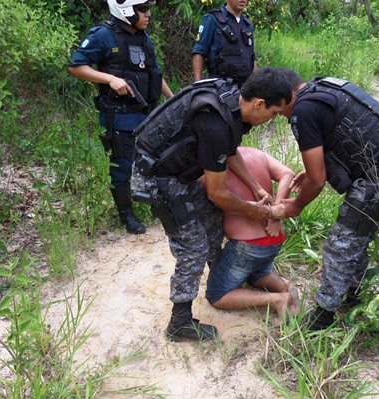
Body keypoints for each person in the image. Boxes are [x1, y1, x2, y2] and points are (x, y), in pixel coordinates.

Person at [132, 68, 292, 342]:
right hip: (158, 177)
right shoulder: (217, 122)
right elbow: (219, 192)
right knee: (192, 245)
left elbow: (229, 153)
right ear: (259, 104)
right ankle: (180, 322)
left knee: (211, 220)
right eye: (275, 113)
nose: (272, 120)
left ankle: (221, 275)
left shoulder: (232, 104)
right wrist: (263, 211)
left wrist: (257, 189)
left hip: (179, 173)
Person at [277, 70, 379, 331]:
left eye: (277, 110)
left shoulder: (303, 110)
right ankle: (353, 293)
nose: (279, 116)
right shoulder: (322, 88)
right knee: (354, 239)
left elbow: (316, 181)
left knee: (340, 245)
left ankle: (324, 317)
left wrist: (296, 205)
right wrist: (317, 167)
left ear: (287, 96)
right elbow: (346, 134)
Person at [68, 0, 174, 234]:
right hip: (119, 114)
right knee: (123, 165)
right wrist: (109, 79)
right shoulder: (103, 35)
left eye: (148, 9)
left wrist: (173, 99)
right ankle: (126, 213)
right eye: (142, 9)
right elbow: (76, 67)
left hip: (147, 112)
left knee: (154, 160)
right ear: (126, 10)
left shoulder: (143, 37)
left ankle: (155, 203)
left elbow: (154, 73)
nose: (148, 15)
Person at [204, 147, 299, 320]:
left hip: (247, 245)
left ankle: (277, 299)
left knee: (216, 294)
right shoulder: (257, 154)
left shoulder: (212, 163)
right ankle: (286, 288)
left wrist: (274, 214)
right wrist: (275, 214)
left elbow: (211, 193)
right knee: (257, 274)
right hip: (275, 239)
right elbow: (288, 173)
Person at [192, 0, 257, 87]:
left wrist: (259, 84)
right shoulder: (212, 19)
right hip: (220, 87)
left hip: (245, 88)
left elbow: (251, 59)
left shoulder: (247, 24)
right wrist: (198, 86)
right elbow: (199, 53)